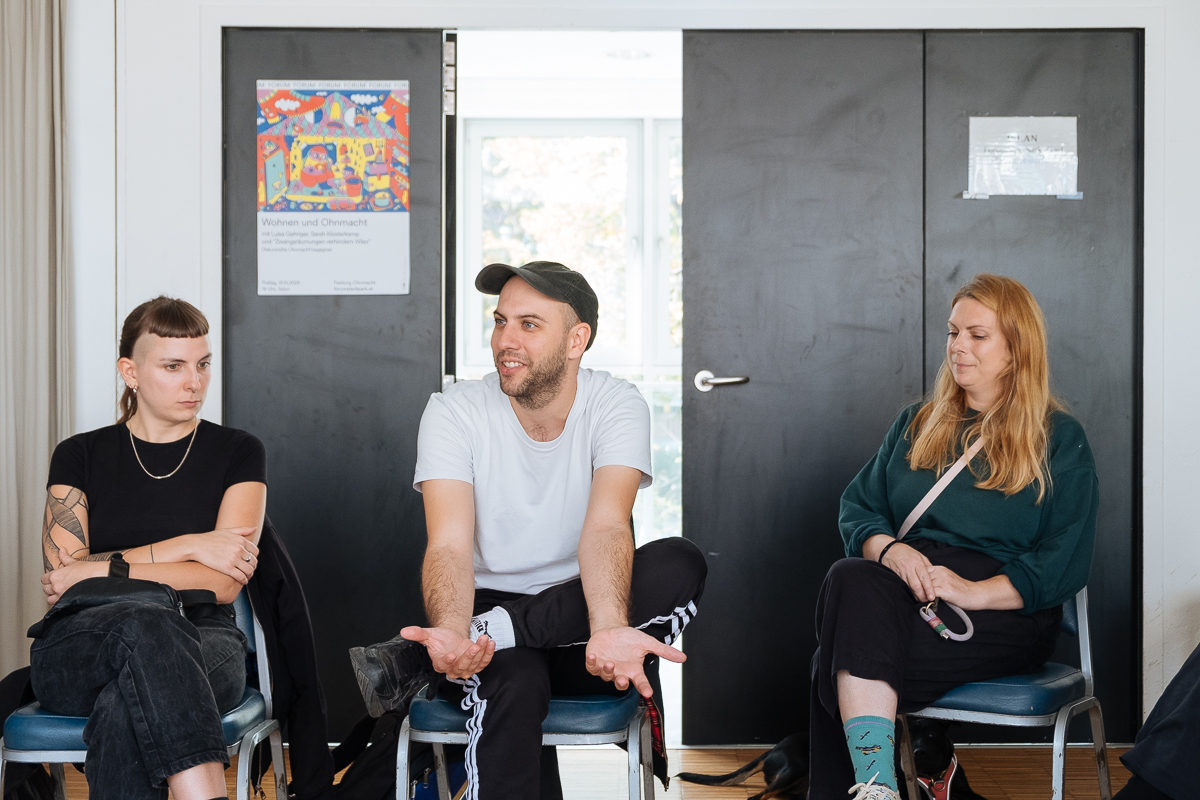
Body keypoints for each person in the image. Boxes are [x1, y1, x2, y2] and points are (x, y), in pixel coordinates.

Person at [349, 261, 707, 800]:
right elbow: (449, 544)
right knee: (515, 682)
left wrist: (609, 626)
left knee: (680, 562)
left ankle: (496, 630)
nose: (505, 340)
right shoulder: (454, 411)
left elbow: (607, 527)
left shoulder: (615, 403)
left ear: (576, 340)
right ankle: (490, 633)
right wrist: (454, 631)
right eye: (500, 321)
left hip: (587, 624)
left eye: (529, 324)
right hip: (488, 625)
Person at [809, 274, 1099, 799]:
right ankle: (891, 784)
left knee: (837, 658)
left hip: (1004, 613)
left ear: (1017, 349)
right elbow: (860, 507)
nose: (957, 346)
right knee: (850, 577)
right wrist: (891, 551)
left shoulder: (1058, 437)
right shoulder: (916, 422)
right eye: (952, 332)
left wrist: (973, 590)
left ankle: (885, 782)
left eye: (977, 335)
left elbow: (1064, 560)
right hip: (911, 597)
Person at [33, 297, 267, 800]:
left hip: (203, 637)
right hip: (82, 640)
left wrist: (99, 569)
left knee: (126, 703)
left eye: (203, 364)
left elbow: (222, 583)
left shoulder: (238, 452)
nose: (194, 383)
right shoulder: (78, 455)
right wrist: (188, 546)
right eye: (173, 366)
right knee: (147, 624)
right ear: (130, 372)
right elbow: (62, 580)